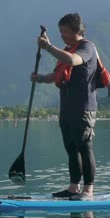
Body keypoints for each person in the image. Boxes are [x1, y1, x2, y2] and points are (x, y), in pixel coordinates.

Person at [31, 13, 98, 200]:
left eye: (65, 31)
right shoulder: (68, 49)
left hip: (83, 108)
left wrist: (48, 47)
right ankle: (73, 188)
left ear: (76, 30)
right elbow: (57, 75)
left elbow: (73, 61)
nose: (61, 35)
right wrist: (41, 79)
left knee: (84, 147)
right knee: (70, 148)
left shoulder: (86, 47)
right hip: (67, 108)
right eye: (60, 31)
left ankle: (88, 191)